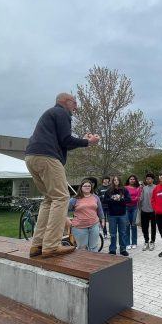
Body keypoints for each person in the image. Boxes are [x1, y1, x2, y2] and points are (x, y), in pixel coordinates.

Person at [25, 92, 100, 258]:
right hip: (48, 158)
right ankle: (51, 245)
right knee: (61, 197)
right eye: (75, 103)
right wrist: (88, 142)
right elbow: (66, 140)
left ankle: (37, 244)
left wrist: (82, 141)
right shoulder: (62, 113)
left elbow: (63, 142)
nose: (76, 107)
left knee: (49, 199)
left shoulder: (50, 114)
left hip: (32, 157)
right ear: (66, 102)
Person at [66, 179, 104, 251]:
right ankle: (83, 262)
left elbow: (100, 210)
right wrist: (67, 219)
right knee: (83, 248)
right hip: (79, 227)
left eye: (89, 186)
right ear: (81, 187)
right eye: (85, 186)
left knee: (94, 247)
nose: (87, 187)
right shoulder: (74, 199)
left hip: (94, 225)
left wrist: (102, 220)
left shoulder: (95, 197)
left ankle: (93, 262)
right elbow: (64, 210)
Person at [104, 176, 131, 256]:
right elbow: (104, 200)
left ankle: (123, 249)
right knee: (113, 233)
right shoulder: (109, 190)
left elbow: (129, 200)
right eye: (114, 180)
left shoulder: (124, 190)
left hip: (122, 214)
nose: (116, 181)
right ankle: (112, 249)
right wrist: (113, 198)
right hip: (112, 215)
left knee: (122, 232)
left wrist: (120, 199)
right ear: (112, 181)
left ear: (120, 181)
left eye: (117, 180)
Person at [139, 173, 156, 251]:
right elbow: (140, 199)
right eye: (147, 179)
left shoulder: (156, 187)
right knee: (144, 227)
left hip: (153, 211)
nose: (148, 180)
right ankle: (146, 241)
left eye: (149, 179)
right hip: (144, 210)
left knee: (153, 227)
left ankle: (152, 241)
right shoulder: (144, 188)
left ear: (152, 179)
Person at [125, 175, 142, 249]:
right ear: (128, 180)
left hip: (134, 208)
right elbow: (125, 198)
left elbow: (138, 198)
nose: (132, 180)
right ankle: (127, 243)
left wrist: (129, 199)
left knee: (133, 225)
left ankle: (134, 242)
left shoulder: (138, 188)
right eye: (131, 179)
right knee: (127, 225)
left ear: (135, 180)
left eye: (133, 179)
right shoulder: (125, 188)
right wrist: (132, 199)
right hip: (126, 208)